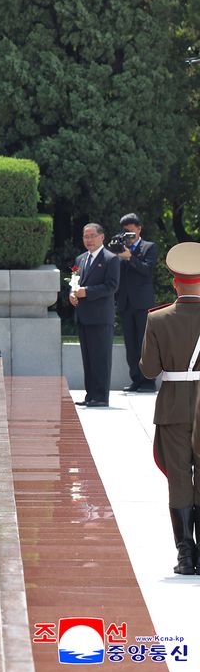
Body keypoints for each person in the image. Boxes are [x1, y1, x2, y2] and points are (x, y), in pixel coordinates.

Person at [139, 242, 200, 575]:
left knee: (179, 479)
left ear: (176, 282)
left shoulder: (157, 319)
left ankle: (185, 556)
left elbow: (149, 370)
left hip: (174, 406)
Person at [70, 223, 120, 407]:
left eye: (92, 236)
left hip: (100, 317)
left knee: (101, 358)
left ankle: (100, 396)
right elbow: (75, 282)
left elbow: (112, 286)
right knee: (88, 358)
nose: (88, 240)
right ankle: (90, 394)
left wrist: (87, 292)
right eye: (85, 236)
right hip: (83, 316)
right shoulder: (81, 259)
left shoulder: (110, 258)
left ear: (102, 237)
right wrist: (72, 293)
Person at [114, 213, 158, 392]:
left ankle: (148, 382)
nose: (129, 236)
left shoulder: (149, 247)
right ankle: (136, 380)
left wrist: (130, 257)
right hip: (125, 303)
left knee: (144, 344)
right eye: (125, 233)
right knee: (130, 345)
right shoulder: (120, 249)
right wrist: (117, 252)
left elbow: (147, 271)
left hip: (142, 303)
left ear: (139, 229)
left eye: (131, 232)